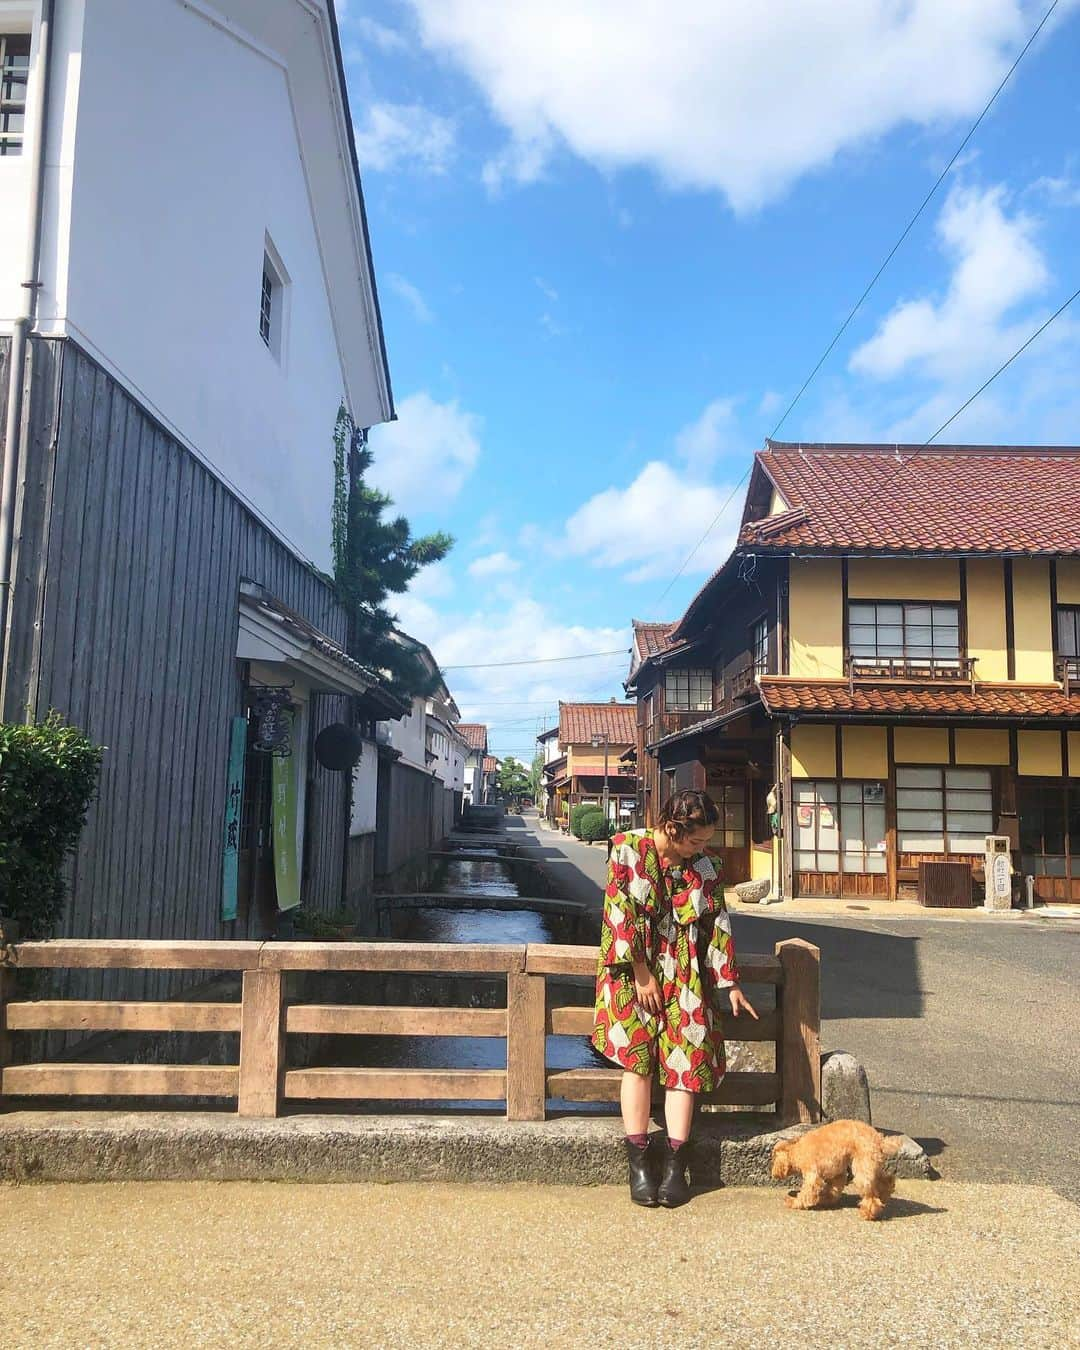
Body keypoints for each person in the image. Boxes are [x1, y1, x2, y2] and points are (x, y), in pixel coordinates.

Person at [592, 788, 757, 1207]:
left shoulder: (707, 867)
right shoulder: (627, 850)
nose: (703, 848)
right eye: (696, 840)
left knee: (686, 1059)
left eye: (705, 841)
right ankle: (639, 1164)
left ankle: (675, 1165)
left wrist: (729, 982)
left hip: (686, 975)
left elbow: (717, 924)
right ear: (672, 827)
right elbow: (619, 915)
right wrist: (642, 973)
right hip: (635, 973)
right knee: (638, 1059)